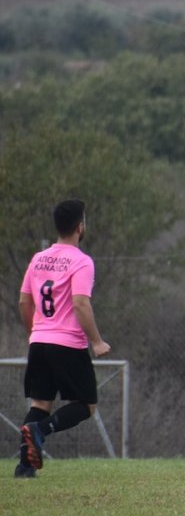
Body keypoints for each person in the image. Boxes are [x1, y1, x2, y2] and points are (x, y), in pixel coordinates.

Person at [16, 199, 111, 479]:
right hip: (67, 343)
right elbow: (80, 303)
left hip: (39, 340)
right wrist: (96, 341)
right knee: (87, 405)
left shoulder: (37, 258)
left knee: (40, 404)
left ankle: (24, 467)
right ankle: (41, 430)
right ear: (80, 227)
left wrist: (36, 332)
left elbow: (24, 302)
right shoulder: (81, 262)